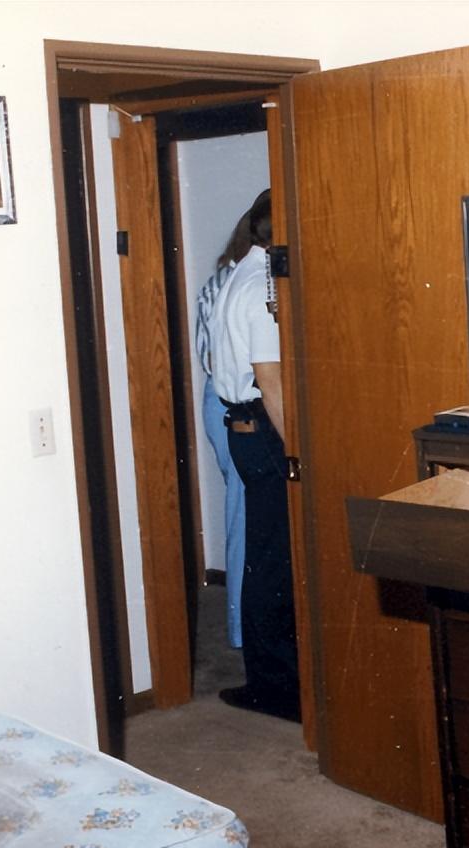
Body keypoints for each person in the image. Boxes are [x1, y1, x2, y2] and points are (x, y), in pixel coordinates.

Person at [206, 189, 300, 721]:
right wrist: (298, 452)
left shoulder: (243, 272)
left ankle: (270, 680)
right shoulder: (264, 284)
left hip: (246, 429)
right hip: (263, 430)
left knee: (266, 557)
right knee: (274, 563)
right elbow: (270, 379)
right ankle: (276, 687)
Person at [195, 210, 255, 650]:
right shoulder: (226, 283)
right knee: (243, 514)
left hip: (243, 399)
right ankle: (240, 631)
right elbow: (219, 364)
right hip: (228, 401)